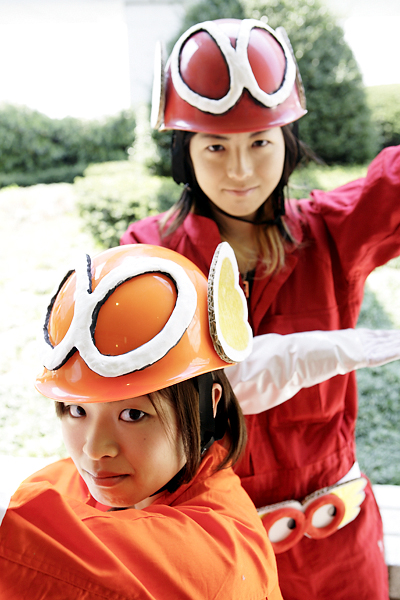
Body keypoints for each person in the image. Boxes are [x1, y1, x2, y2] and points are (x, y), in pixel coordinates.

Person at [121, 18, 400, 599]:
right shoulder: (148, 257)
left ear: (287, 143)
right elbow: (122, 410)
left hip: (341, 557)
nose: (241, 170)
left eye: (260, 143)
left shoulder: (333, 234)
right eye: (215, 146)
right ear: (184, 152)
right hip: (217, 563)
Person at [0, 243, 283, 600]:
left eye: (133, 415)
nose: (95, 450)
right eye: (77, 410)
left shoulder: (222, 556)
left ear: (207, 408)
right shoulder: (66, 484)